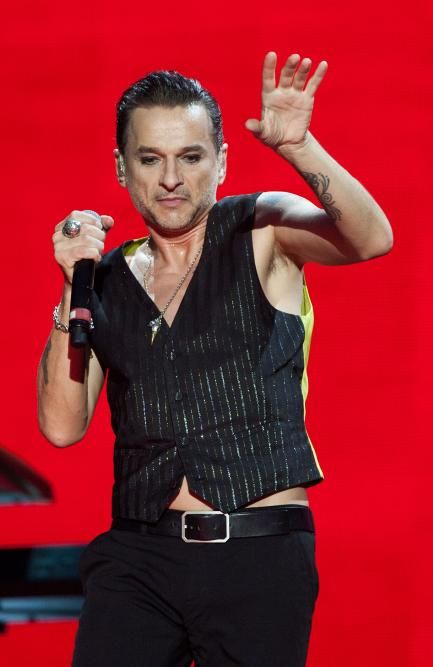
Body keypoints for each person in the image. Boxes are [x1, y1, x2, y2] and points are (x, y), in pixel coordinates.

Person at [37, 52, 393, 667]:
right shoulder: (107, 279)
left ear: (222, 162)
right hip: (139, 556)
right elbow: (61, 427)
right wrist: (72, 286)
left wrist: (300, 147)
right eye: (151, 159)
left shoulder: (260, 229)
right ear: (122, 168)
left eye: (191, 157)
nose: (171, 178)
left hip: (257, 553)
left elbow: (371, 239)